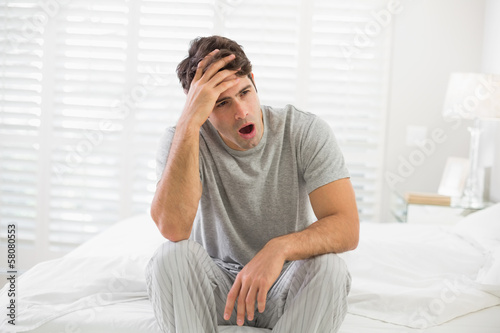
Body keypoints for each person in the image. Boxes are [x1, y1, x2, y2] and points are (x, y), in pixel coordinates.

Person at [146, 35, 359, 333]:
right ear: (200, 107)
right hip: (218, 290)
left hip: (284, 287)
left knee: (330, 268)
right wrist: (188, 124)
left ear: (254, 83)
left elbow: (346, 227)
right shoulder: (182, 138)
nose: (242, 111)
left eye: (245, 92)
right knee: (170, 257)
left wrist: (278, 249)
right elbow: (174, 229)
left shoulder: (303, 131)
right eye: (221, 103)